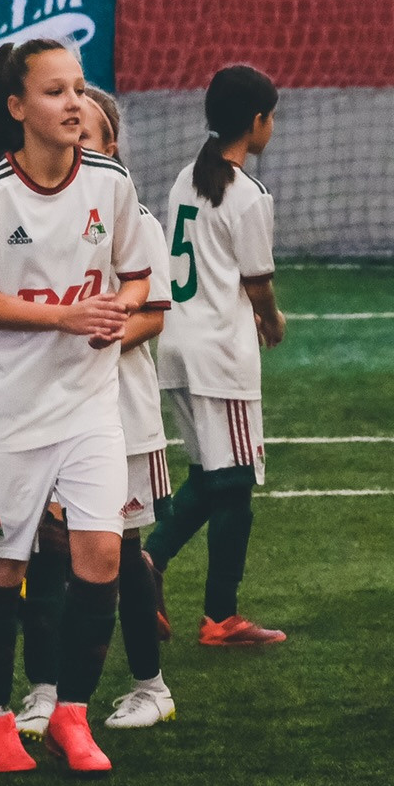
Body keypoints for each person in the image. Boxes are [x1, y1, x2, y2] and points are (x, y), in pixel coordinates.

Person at [0, 38, 151, 775]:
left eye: (78, 89)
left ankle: (72, 714)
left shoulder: (111, 183)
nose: (74, 104)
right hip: (8, 412)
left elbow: (136, 276)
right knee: (3, 568)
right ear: (17, 107)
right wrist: (64, 317)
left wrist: (117, 310)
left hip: (90, 406)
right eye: (55, 92)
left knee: (100, 555)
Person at [146, 64, 287, 645]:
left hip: (176, 347)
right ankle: (220, 616)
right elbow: (258, 282)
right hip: (220, 357)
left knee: (210, 476)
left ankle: (148, 568)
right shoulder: (247, 194)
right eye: (270, 117)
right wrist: (272, 318)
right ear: (255, 122)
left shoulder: (188, 177)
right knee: (235, 485)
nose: (272, 127)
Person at [81, 86, 179, 730]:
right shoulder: (31, 211)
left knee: (124, 547)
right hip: (50, 410)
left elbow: (154, 314)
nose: (75, 141)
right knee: (53, 554)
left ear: (109, 147)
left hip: (122, 412)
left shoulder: (135, 216)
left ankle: (151, 685)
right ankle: (50, 691)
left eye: (88, 135)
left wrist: (103, 331)